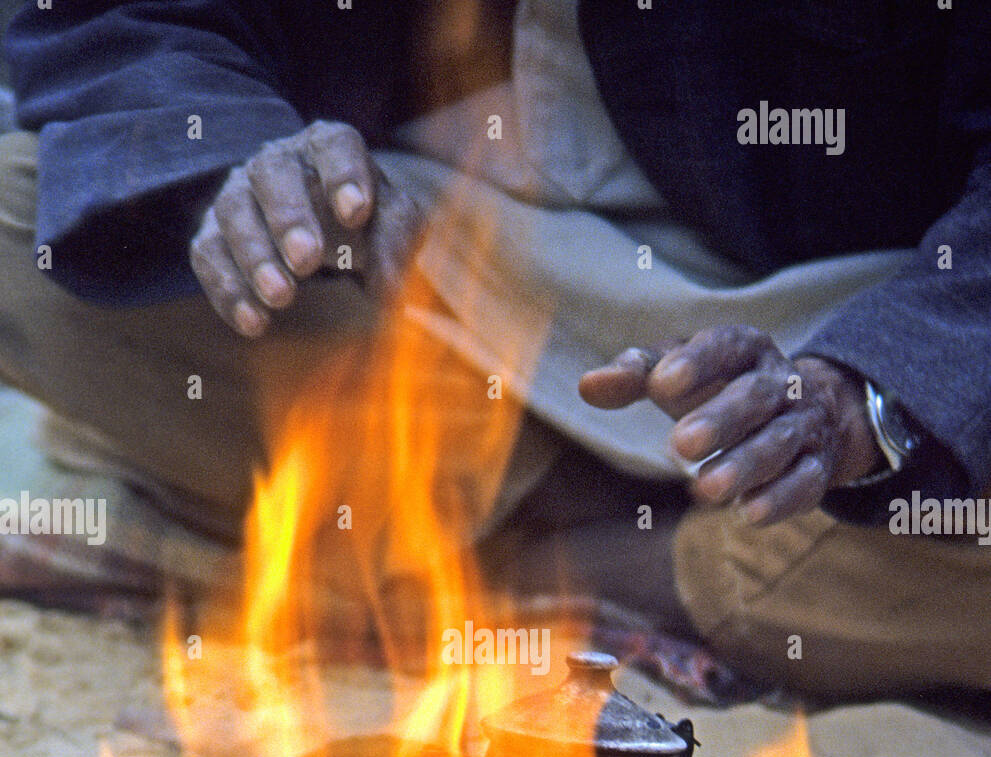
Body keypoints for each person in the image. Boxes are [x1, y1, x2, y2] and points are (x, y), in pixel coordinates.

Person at [0, 0, 989, 698]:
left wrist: (870, 398)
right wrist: (237, 170)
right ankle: (557, 511)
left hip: (858, 329)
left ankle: (623, 569)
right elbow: (115, 18)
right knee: (21, 209)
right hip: (419, 287)